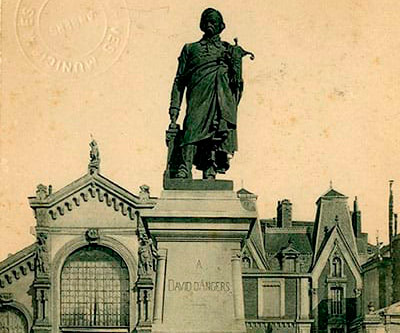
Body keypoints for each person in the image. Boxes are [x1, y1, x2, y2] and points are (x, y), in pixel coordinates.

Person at [169, 8, 253, 179]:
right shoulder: (190, 49)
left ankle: (210, 167)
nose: (209, 24)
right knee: (192, 127)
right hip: (197, 96)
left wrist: (235, 63)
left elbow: (236, 81)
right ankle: (185, 167)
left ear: (221, 26)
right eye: (206, 21)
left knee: (215, 131)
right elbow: (179, 81)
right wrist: (174, 108)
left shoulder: (227, 49)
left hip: (220, 96)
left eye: (213, 21)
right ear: (201, 24)